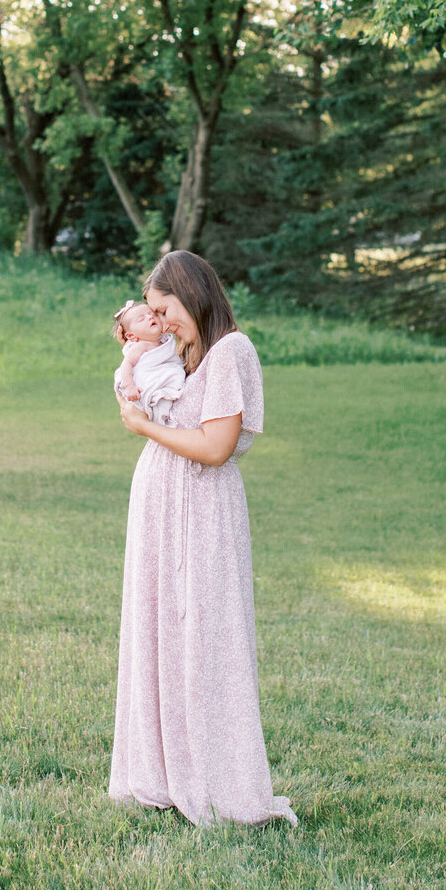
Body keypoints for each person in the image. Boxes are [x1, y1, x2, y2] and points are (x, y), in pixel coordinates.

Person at [109, 249, 297, 827]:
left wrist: (140, 425)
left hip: (205, 509)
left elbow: (216, 448)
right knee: (160, 630)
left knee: (209, 640)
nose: (161, 323)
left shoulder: (231, 352)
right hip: (160, 504)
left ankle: (222, 782)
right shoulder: (183, 359)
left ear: (194, 295)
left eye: (166, 310)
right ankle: (162, 774)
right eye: (154, 314)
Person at [112, 299, 186, 424]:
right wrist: (130, 387)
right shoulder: (141, 346)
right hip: (148, 383)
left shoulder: (165, 341)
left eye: (152, 315)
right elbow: (127, 365)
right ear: (131, 336)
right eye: (141, 319)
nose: (149, 318)